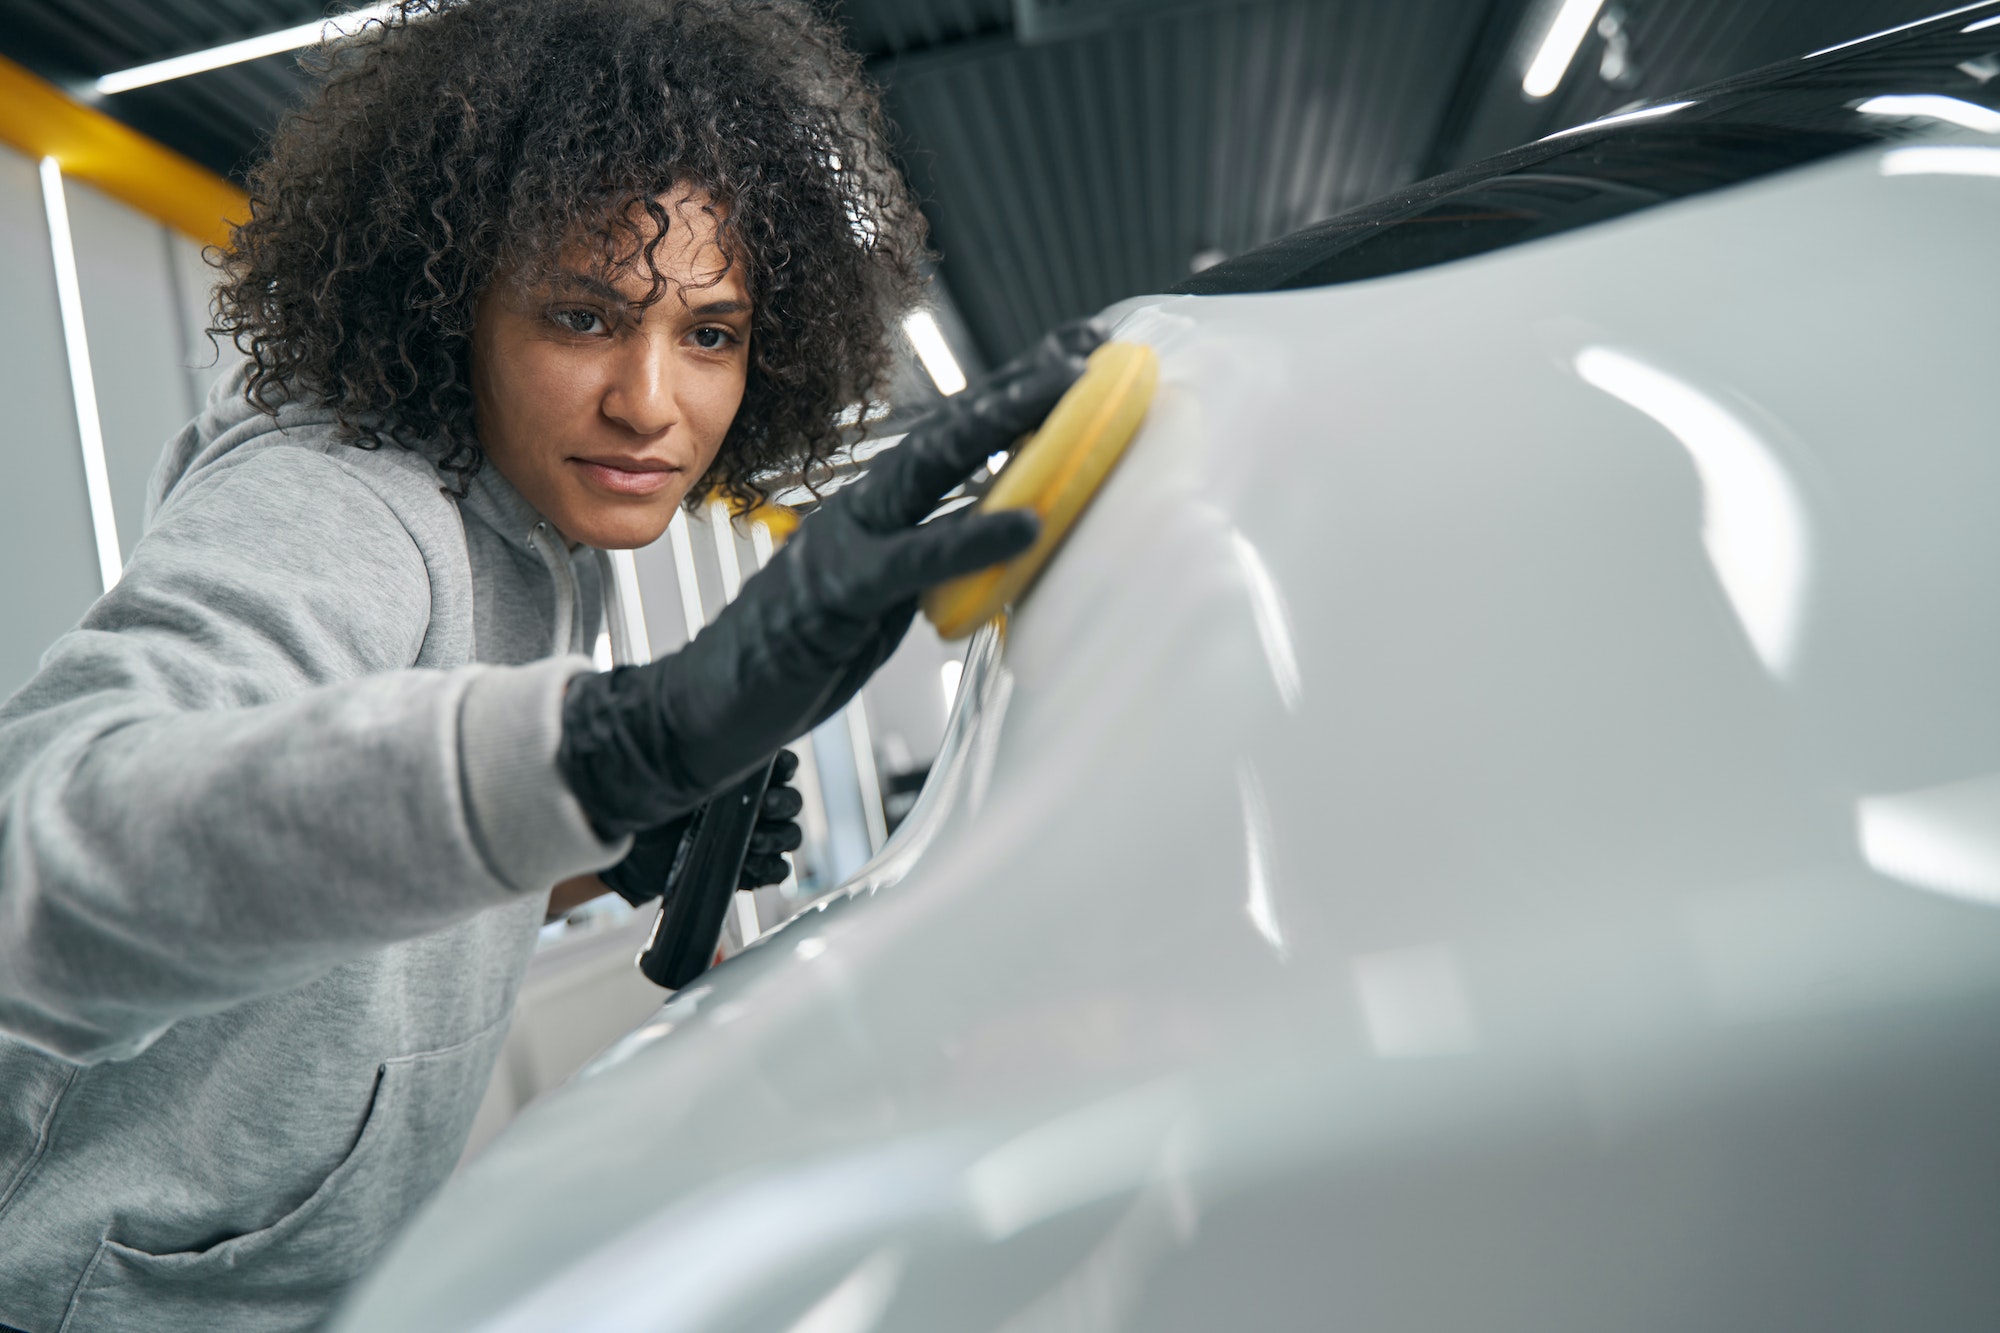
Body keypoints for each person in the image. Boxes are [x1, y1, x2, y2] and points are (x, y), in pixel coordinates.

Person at [0, 0, 1097, 1327]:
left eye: (710, 333)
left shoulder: (544, 536)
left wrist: (596, 843)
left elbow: (350, 869)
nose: (650, 400)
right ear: (453, 304)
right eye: (583, 317)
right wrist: (609, 743)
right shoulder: (347, 500)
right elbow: (41, 840)